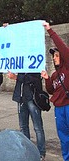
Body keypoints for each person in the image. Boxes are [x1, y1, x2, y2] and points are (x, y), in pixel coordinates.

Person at [41, 21, 69, 161]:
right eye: (53, 56)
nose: (54, 57)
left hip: (68, 106)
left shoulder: (67, 68)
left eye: (57, 55)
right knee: (63, 138)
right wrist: (46, 79)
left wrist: (50, 31)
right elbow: (51, 91)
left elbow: (63, 49)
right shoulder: (54, 75)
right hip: (59, 109)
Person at [7, 72, 46, 160]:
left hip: (33, 98)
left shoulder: (35, 63)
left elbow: (35, 79)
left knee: (38, 127)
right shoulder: (21, 65)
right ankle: (26, 151)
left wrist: (17, 77)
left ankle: (41, 153)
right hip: (21, 98)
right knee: (23, 127)